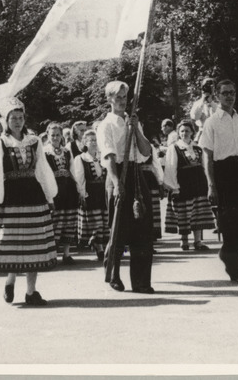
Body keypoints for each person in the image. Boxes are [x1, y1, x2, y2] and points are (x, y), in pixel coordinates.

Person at [0, 97, 58, 306]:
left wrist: (50, 195)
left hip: (33, 196)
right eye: (13, 118)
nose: (17, 121)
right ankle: (10, 280)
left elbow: (42, 169)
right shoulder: (0, 142)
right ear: (6, 121)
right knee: (15, 245)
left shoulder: (34, 141)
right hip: (11, 198)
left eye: (20, 117)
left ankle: (31, 291)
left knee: (33, 245)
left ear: (24, 119)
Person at [200, 80, 238, 284]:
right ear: (217, 95)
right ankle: (236, 269)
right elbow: (207, 156)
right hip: (223, 172)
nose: (230, 96)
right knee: (230, 223)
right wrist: (211, 185)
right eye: (225, 93)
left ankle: (228, 254)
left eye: (233, 92)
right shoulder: (212, 122)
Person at [97, 80, 154, 294]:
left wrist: (135, 129)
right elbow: (109, 156)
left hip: (136, 173)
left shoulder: (133, 122)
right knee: (119, 228)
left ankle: (141, 281)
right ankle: (113, 274)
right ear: (109, 99)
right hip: (117, 173)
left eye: (124, 97)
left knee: (142, 227)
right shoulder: (106, 125)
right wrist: (116, 183)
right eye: (117, 97)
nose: (122, 101)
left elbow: (146, 151)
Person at [164, 120, 216, 251]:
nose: (184, 133)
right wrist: (174, 187)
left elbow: (205, 166)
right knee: (184, 213)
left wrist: (209, 184)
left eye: (187, 131)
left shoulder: (197, 148)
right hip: (183, 184)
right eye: (181, 131)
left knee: (198, 212)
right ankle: (184, 241)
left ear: (192, 132)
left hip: (198, 184)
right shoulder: (174, 148)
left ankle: (198, 242)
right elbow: (170, 168)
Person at [43, 123, 79, 264]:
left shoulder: (66, 151)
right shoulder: (45, 152)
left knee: (68, 220)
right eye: (53, 135)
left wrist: (79, 190)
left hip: (68, 189)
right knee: (55, 221)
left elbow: (73, 171)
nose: (56, 138)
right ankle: (52, 254)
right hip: (54, 189)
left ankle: (66, 253)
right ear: (48, 136)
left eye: (58, 135)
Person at [72, 129, 109, 260]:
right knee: (96, 222)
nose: (94, 143)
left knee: (105, 221)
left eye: (95, 140)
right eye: (91, 140)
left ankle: (103, 246)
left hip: (103, 192)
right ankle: (98, 248)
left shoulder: (103, 156)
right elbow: (79, 178)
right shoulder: (80, 159)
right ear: (85, 143)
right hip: (91, 193)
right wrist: (83, 194)